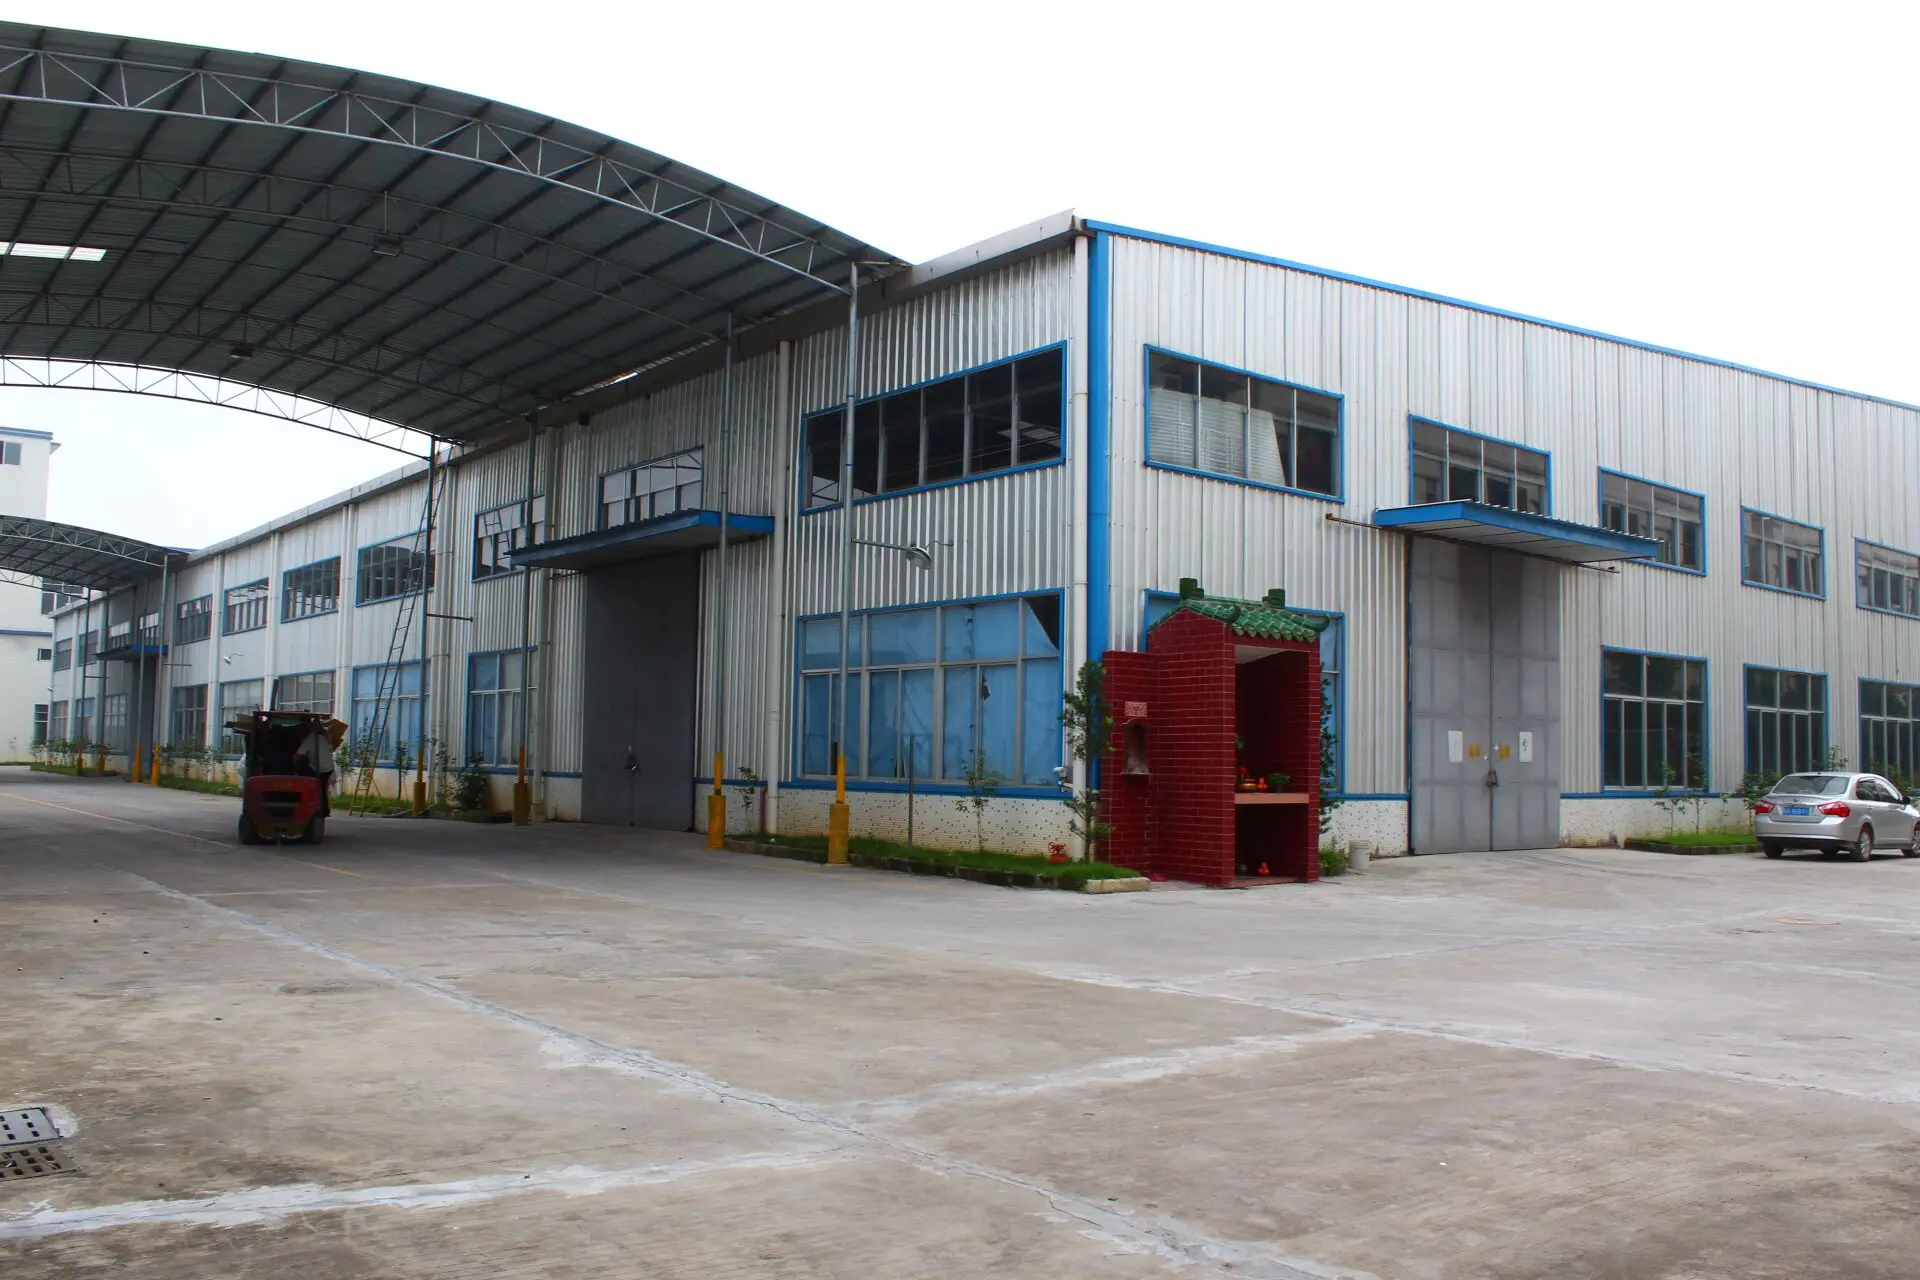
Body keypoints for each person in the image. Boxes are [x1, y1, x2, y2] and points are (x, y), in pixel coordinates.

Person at [295, 720, 336, 815]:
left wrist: (290, 766)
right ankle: (324, 809)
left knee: (303, 768)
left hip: (320, 769)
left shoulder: (309, 739)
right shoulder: (324, 737)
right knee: (322, 789)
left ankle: (313, 805)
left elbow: (297, 756)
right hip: (329, 768)